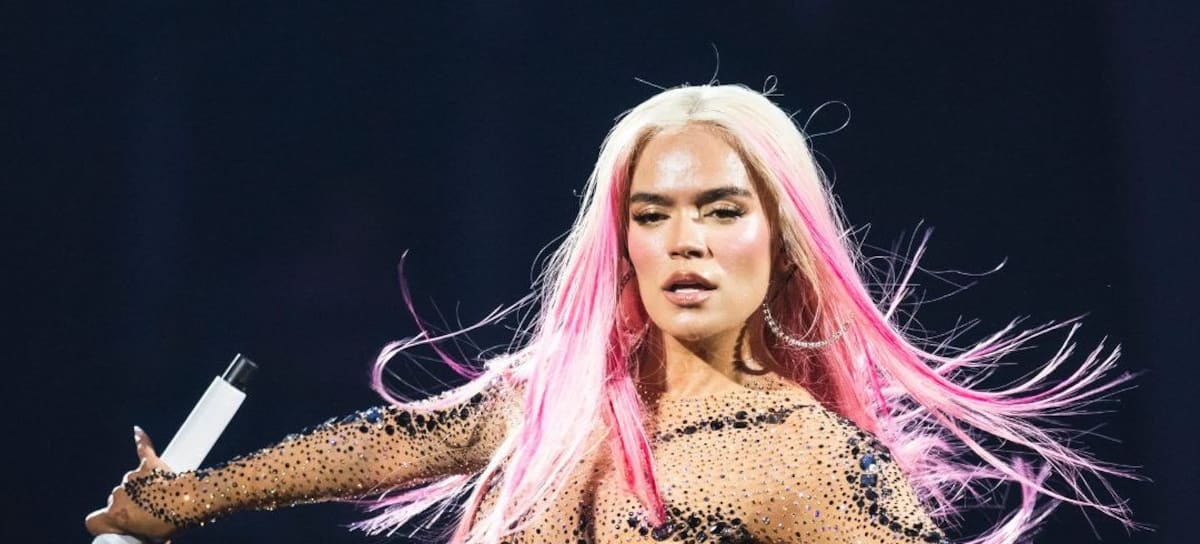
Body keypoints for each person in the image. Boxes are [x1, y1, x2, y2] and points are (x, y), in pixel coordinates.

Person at [86, 84, 1133, 543]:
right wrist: (189, 498)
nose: (685, 241)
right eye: (653, 214)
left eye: (721, 210)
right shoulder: (551, 405)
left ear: (783, 237)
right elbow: (388, 442)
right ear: (622, 240)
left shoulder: (809, 457)